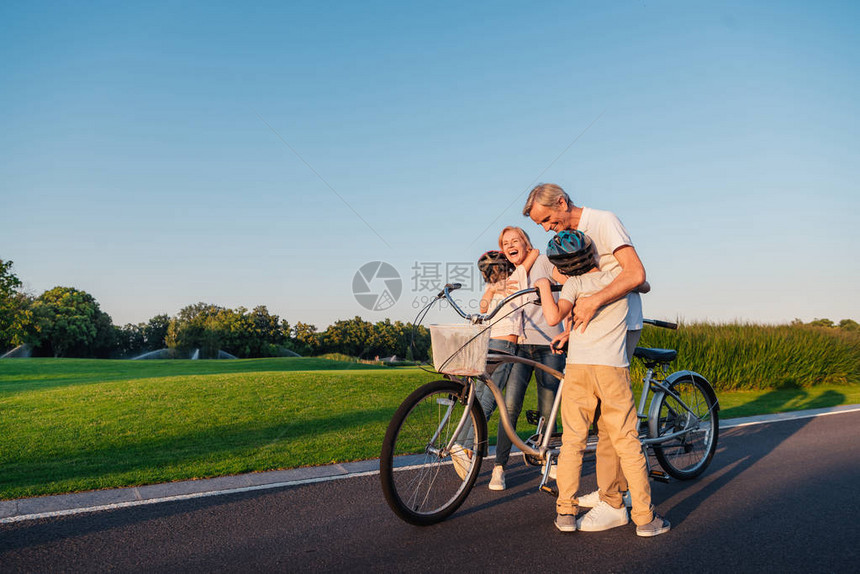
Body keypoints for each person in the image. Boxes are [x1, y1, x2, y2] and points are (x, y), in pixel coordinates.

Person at [523, 183, 649, 531]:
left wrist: (592, 302)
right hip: (589, 332)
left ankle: (612, 502)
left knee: (612, 426)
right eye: (542, 225)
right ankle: (614, 493)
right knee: (603, 422)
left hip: (620, 328)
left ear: (562, 203)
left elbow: (637, 275)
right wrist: (570, 329)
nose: (548, 228)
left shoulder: (603, 221)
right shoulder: (574, 241)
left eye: (548, 219)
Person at [535, 229, 669, 537]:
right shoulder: (621, 279)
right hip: (613, 370)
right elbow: (641, 282)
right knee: (628, 443)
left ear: (564, 267)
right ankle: (645, 518)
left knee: (573, 443)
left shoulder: (575, 284)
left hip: (579, 371)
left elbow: (553, 316)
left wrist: (544, 285)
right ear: (594, 253)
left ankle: (566, 513)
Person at [489, 226, 565, 491]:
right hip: (520, 346)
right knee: (509, 407)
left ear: (525, 243)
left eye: (515, 240)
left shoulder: (544, 260)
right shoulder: (509, 275)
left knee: (548, 406)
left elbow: (567, 283)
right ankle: (499, 467)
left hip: (550, 344)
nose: (510, 245)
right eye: (505, 242)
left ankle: (547, 458)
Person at [450, 249, 535, 478]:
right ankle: (464, 446)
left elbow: (483, 308)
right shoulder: (515, 278)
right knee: (488, 400)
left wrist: (492, 288)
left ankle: (461, 444)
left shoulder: (493, 287)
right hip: (504, 345)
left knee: (478, 396)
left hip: (489, 342)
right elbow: (534, 252)